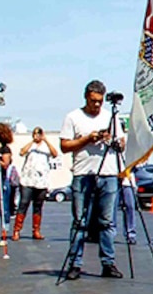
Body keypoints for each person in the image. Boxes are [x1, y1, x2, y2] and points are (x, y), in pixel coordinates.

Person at [59, 80, 125, 279]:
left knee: (107, 222)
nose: (96, 105)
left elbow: (121, 142)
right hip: (83, 173)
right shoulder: (73, 117)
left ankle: (108, 262)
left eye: (100, 101)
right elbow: (64, 146)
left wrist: (115, 142)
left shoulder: (111, 116)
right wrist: (88, 138)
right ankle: (75, 263)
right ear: (86, 97)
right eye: (93, 101)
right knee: (80, 221)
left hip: (108, 172)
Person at [14, 126, 57, 240]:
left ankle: (36, 230)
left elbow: (55, 153)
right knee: (23, 203)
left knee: (38, 206)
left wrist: (46, 140)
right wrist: (33, 142)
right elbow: (22, 152)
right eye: (35, 134)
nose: (37, 136)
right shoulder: (30, 146)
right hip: (28, 179)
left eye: (39, 134)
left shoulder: (45, 147)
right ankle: (17, 230)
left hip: (41, 180)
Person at [0, 148, 20, 244]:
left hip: (3, 180)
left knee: (5, 208)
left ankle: (5, 230)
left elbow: (6, 164)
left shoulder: (4, 149)